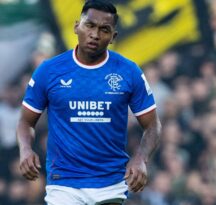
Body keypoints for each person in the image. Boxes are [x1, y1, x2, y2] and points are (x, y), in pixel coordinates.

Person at [16, 1, 161, 205]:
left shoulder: (129, 72)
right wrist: (25, 149)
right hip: (64, 185)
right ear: (77, 27)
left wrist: (141, 159)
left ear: (113, 37)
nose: (95, 34)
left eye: (104, 29)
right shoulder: (49, 71)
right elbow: (25, 121)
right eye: (89, 25)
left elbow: (152, 125)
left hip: (111, 185)